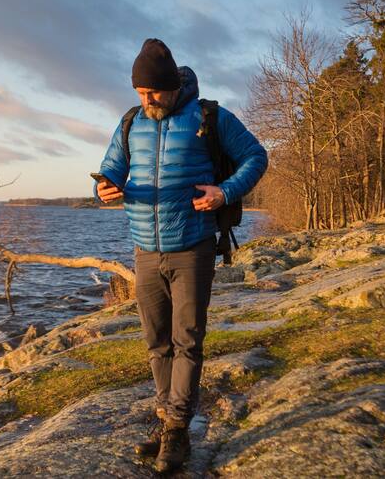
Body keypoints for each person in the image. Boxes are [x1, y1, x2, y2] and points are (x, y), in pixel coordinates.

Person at [93, 38, 267, 473]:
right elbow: (111, 168)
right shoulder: (131, 121)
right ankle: (165, 417)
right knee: (156, 342)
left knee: (186, 340)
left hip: (192, 246)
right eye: (139, 93)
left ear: (172, 87)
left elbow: (256, 157)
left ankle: (177, 433)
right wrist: (103, 187)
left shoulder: (210, 117)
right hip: (144, 250)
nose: (146, 100)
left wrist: (224, 191)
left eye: (153, 93)